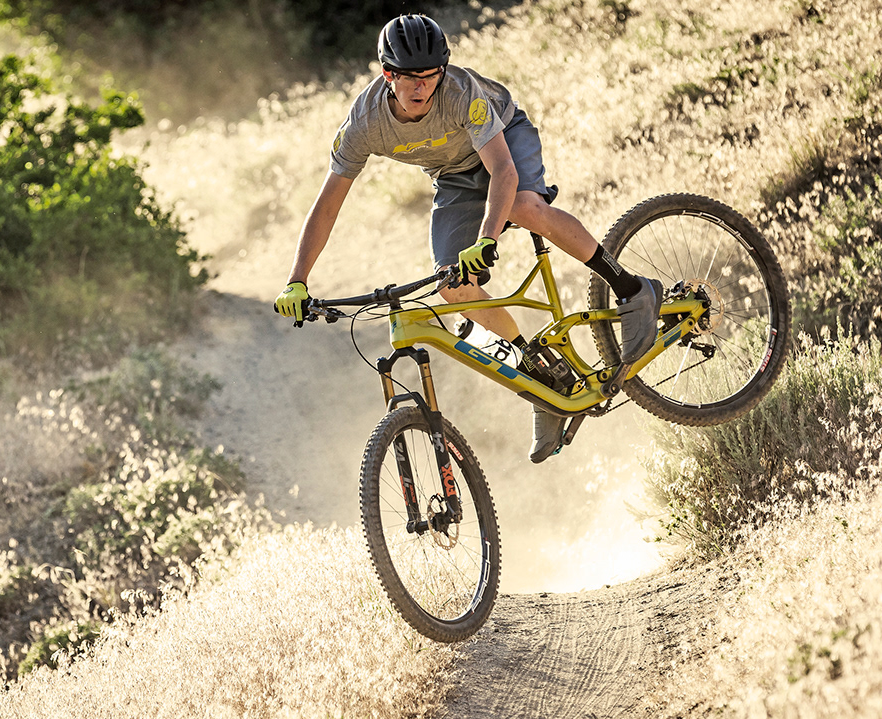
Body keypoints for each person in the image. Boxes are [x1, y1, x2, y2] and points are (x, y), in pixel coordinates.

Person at [274, 13, 661, 464]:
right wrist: (297, 279)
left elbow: (504, 171)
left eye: (430, 75)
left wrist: (486, 239)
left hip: (505, 140)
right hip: (453, 175)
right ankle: (541, 375)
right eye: (410, 78)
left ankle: (632, 289)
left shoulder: (459, 92)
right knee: (452, 288)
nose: (422, 87)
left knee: (523, 207)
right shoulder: (365, 122)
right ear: (387, 75)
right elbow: (327, 205)